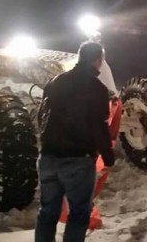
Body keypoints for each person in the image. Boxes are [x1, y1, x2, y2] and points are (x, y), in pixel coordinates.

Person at [35, 41, 115, 242]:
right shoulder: (97, 88)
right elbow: (99, 126)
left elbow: (42, 115)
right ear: (98, 60)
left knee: (47, 212)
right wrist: (108, 155)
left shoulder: (55, 81)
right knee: (79, 214)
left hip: (48, 158)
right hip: (77, 160)